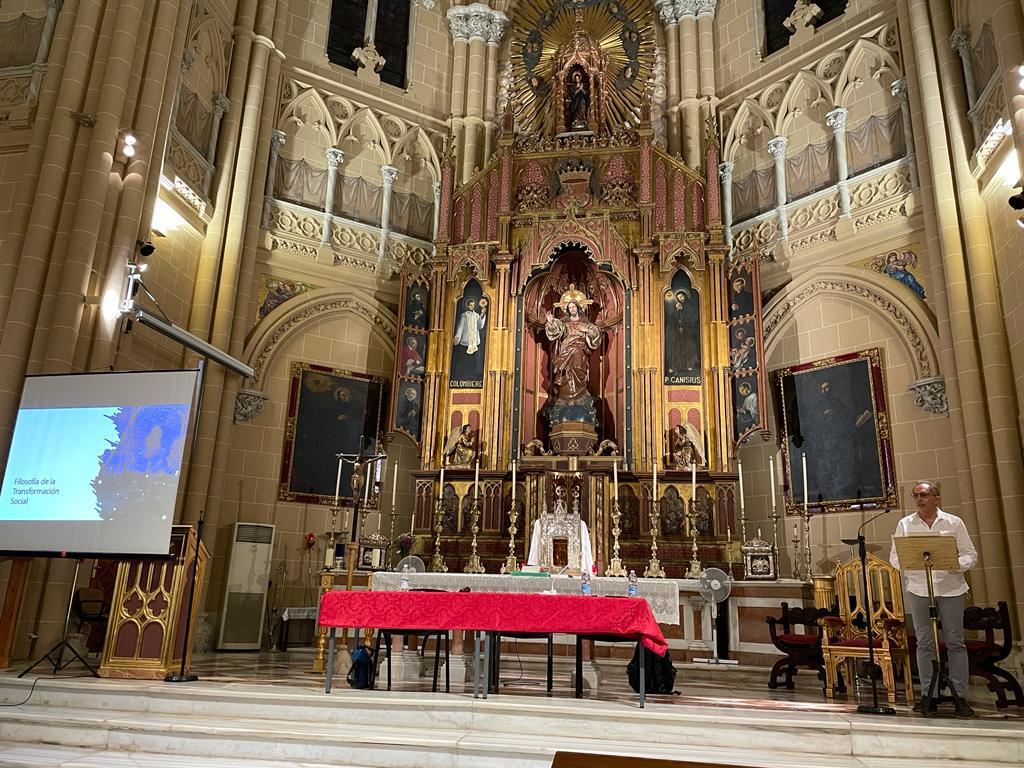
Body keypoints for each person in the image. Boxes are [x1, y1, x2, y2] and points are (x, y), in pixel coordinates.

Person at [889, 481, 978, 717]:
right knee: (924, 642)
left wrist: (954, 564)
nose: (919, 499)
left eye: (924, 495)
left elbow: (970, 554)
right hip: (919, 588)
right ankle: (929, 694)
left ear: (936, 498)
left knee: (955, 641)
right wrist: (908, 565)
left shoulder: (953, 522)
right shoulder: (905, 524)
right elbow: (895, 556)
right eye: (916, 495)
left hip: (950, 588)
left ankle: (960, 695)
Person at [544, 286, 603, 404]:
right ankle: (564, 396)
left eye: (573, 307)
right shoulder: (564, 322)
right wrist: (551, 321)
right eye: (569, 307)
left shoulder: (585, 322)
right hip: (565, 349)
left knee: (578, 368)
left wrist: (585, 330)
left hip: (580, 349)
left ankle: (580, 396)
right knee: (565, 372)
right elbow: (555, 332)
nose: (571, 309)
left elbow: (596, 333)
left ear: (578, 307)